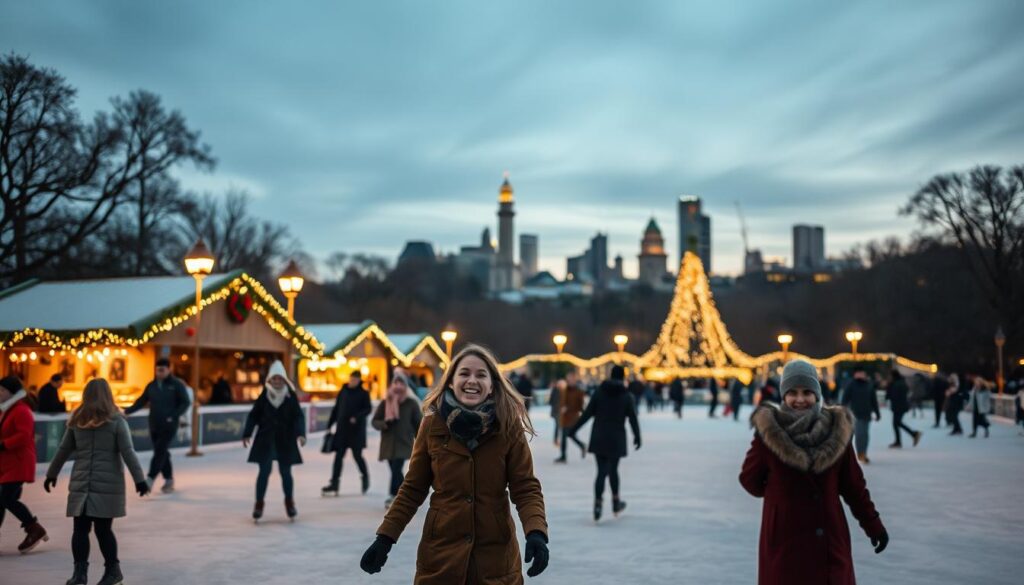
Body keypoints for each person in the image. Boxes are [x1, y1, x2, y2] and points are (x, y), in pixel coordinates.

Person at [359, 344, 549, 583]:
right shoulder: (431, 425)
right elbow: (412, 489)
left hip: (494, 559)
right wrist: (385, 538)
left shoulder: (508, 427)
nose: (472, 380)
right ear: (450, 381)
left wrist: (536, 532)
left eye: (481, 375)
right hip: (441, 557)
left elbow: (525, 487)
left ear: (492, 386)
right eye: (464, 373)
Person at [740, 359, 888, 585]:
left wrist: (873, 524)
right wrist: (780, 499)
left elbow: (853, 486)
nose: (800, 399)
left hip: (827, 540)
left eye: (807, 392)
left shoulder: (838, 430)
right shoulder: (769, 433)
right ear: (784, 396)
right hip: (785, 541)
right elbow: (749, 480)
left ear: (817, 394)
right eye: (793, 392)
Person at [44, 378, 150, 585]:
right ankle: (93, 573)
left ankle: (96, 572)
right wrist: (140, 481)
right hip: (96, 484)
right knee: (97, 530)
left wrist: (52, 473)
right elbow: (128, 452)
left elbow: (64, 450)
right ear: (108, 395)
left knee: (83, 529)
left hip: (88, 484)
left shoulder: (80, 419)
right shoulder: (111, 420)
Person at [568, 365, 641, 522]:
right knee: (613, 470)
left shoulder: (599, 392)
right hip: (616, 438)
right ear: (622, 377)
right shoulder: (626, 395)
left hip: (599, 436)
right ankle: (615, 503)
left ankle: (598, 505)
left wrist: (573, 429)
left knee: (601, 471)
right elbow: (633, 418)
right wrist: (637, 436)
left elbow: (587, 414)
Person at [242, 360, 306, 521]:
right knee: (264, 472)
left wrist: (300, 434)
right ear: (269, 380)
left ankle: (289, 503)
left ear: (284, 379)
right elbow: (254, 416)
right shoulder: (264, 396)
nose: (277, 382)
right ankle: (259, 504)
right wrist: (247, 433)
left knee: (286, 473)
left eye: (280, 379)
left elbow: (298, 416)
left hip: (285, 440)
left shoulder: (290, 397)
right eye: (274, 379)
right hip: (266, 440)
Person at [124, 357, 191, 494]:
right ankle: (169, 479)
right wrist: (127, 411)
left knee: (160, 450)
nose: (159, 373)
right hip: (154, 424)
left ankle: (150, 479)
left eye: (162, 370)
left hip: (169, 425)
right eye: (157, 370)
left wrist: (173, 415)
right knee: (162, 451)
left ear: (168, 369)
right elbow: (142, 401)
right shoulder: (152, 386)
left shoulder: (176, 384)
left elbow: (185, 402)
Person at [0, 375, 47, 554]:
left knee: (7, 499)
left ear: (12, 393)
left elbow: (24, 435)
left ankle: (34, 528)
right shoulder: (6, 410)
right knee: (3, 500)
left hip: (19, 462)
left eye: (2, 390)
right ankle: (33, 528)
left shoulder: (21, 410)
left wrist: (3, 444)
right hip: (7, 464)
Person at [371, 369, 423, 508]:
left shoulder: (411, 403)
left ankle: (392, 496)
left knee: (396, 469)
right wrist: (384, 424)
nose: (398, 386)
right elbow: (375, 421)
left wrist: (422, 442)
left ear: (406, 386)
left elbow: (419, 424)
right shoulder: (386, 401)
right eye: (396, 382)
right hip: (388, 443)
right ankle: (406, 495)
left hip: (404, 442)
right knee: (395, 470)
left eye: (401, 383)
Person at [323, 370, 372, 496]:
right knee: (338, 456)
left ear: (359, 380)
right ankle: (334, 483)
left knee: (357, 456)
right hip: (342, 430)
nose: (352, 381)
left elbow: (368, 409)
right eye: (351, 379)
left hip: (356, 431)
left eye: (355, 380)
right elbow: (336, 408)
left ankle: (365, 477)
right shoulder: (343, 391)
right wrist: (330, 424)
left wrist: (357, 417)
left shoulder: (364, 393)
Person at [841, 366, 880, 464]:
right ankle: (857, 454)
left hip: (866, 414)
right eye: (858, 373)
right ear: (855, 374)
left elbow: (873, 400)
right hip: (855, 414)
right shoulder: (851, 384)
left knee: (865, 435)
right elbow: (845, 399)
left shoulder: (869, 385)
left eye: (861, 372)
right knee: (858, 434)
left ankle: (863, 453)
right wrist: (842, 411)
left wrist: (877, 412)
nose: (860, 374)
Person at [555, 369, 586, 463]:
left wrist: (570, 409)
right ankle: (564, 455)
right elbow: (561, 402)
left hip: (573, 418)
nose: (570, 380)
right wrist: (561, 409)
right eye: (569, 378)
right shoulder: (564, 390)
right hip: (565, 417)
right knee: (566, 436)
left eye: (572, 378)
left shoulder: (579, 392)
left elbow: (580, 406)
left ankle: (581, 446)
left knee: (569, 435)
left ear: (575, 379)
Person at [885, 370, 921, 448]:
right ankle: (900, 440)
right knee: (896, 423)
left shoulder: (896, 384)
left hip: (898, 407)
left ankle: (914, 434)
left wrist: (888, 386)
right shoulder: (901, 382)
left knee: (897, 423)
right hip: (901, 406)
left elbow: (891, 396)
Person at [549, 379, 562, 446]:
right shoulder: (557, 391)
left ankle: (556, 440)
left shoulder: (555, 390)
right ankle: (556, 440)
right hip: (557, 412)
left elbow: (550, 402)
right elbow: (551, 402)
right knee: (558, 426)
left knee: (558, 426)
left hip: (557, 411)